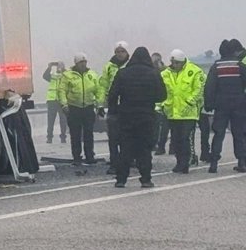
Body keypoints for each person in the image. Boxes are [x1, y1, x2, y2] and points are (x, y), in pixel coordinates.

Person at [106, 46, 166, 188]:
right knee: (144, 148)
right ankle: (145, 179)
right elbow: (162, 95)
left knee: (125, 148)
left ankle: (121, 179)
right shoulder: (154, 74)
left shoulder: (122, 73)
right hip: (146, 116)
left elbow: (112, 95)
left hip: (126, 115)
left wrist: (114, 111)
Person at [203, 38, 246, 173]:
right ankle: (242, 162)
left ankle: (214, 163)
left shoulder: (216, 67)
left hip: (221, 105)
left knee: (219, 133)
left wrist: (209, 104)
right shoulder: (240, 66)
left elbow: (210, 87)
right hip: (239, 104)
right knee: (239, 133)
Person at [161, 49, 206, 174]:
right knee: (175, 139)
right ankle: (179, 161)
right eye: (173, 62)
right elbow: (161, 90)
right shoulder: (165, 74)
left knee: (185, 138)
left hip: (188, 112)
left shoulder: (194, 71)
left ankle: (185, 163)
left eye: (177, 63)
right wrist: (161, 106)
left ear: (182, 62)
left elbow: (199, 89)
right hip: (172, 112)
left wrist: (190, 102)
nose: (174, 65)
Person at [57, 54, 100, 165]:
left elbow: (98, 90)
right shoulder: (67, 76)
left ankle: (90, 155)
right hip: (74, 108)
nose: (83, 64)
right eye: (81, 62)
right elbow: (61, 91)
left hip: (88, 107)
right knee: (75, 134)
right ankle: (77, 157)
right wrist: (64, 105)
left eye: (85, 62)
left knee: (88, 133)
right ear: (76, 63)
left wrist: (99, 104)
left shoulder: (92, 75)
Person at [99, 42, 130, 175]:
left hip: (128, 105)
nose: (119, 54)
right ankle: (114, 163)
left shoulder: (131, 66)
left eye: (122, 51)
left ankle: (127, 161)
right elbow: (103, 86)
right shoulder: (108, 67)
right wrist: (100, 104)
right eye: (117, 51)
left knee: (127, 136)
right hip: (113, 106)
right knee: (112, 137)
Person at [42, 61, 68, 144]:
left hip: (62, 101)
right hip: (52, 100)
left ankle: (63, 137)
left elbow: (70, 77)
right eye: (58, 66)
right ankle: (49, 137)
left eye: (60, 66)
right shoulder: (52, 75)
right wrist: (49, 67)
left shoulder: (65, 76)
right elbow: (45, 76)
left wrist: (63, 69)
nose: (58, 67)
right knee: (50, 120)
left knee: (63, 120)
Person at [151, 52, 169, 154]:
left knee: (166, 125)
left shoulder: (165, 70)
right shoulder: (150, 70)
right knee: (155, 125)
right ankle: (155, 144)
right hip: (155, 103)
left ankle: (162, 145)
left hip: (166, 101)